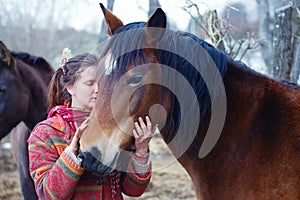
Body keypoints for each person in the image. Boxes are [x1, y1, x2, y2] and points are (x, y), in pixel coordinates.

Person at [28, 51, 156, 199]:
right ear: (70, 88)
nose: (98, 90)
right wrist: (72, 153)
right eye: (90, 83)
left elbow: (134, 190)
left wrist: (141, 151)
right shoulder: (45, 133)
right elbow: (48, 195)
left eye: (101, 83)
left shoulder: (113, 127)